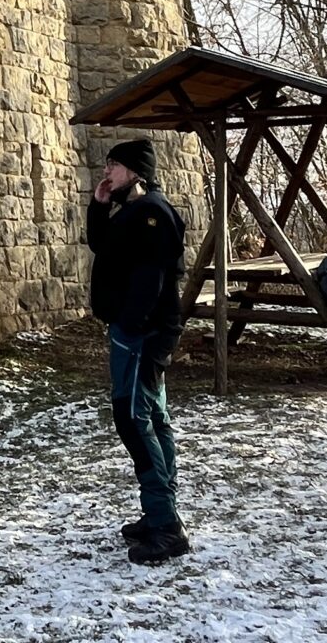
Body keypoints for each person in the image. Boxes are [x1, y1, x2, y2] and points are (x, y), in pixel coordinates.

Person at [86, 137, 189, 564]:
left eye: (114, 165)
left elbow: (152, 279)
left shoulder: (152, 214)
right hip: (138, 333)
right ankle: (161, 514)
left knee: (133, 420)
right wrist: (99, 205)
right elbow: (101, 244)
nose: (107, 171)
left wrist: (130, 326)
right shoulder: (133, 210)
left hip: (143, 335)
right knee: (152, 417)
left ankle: (165, 526)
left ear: (136, 172)